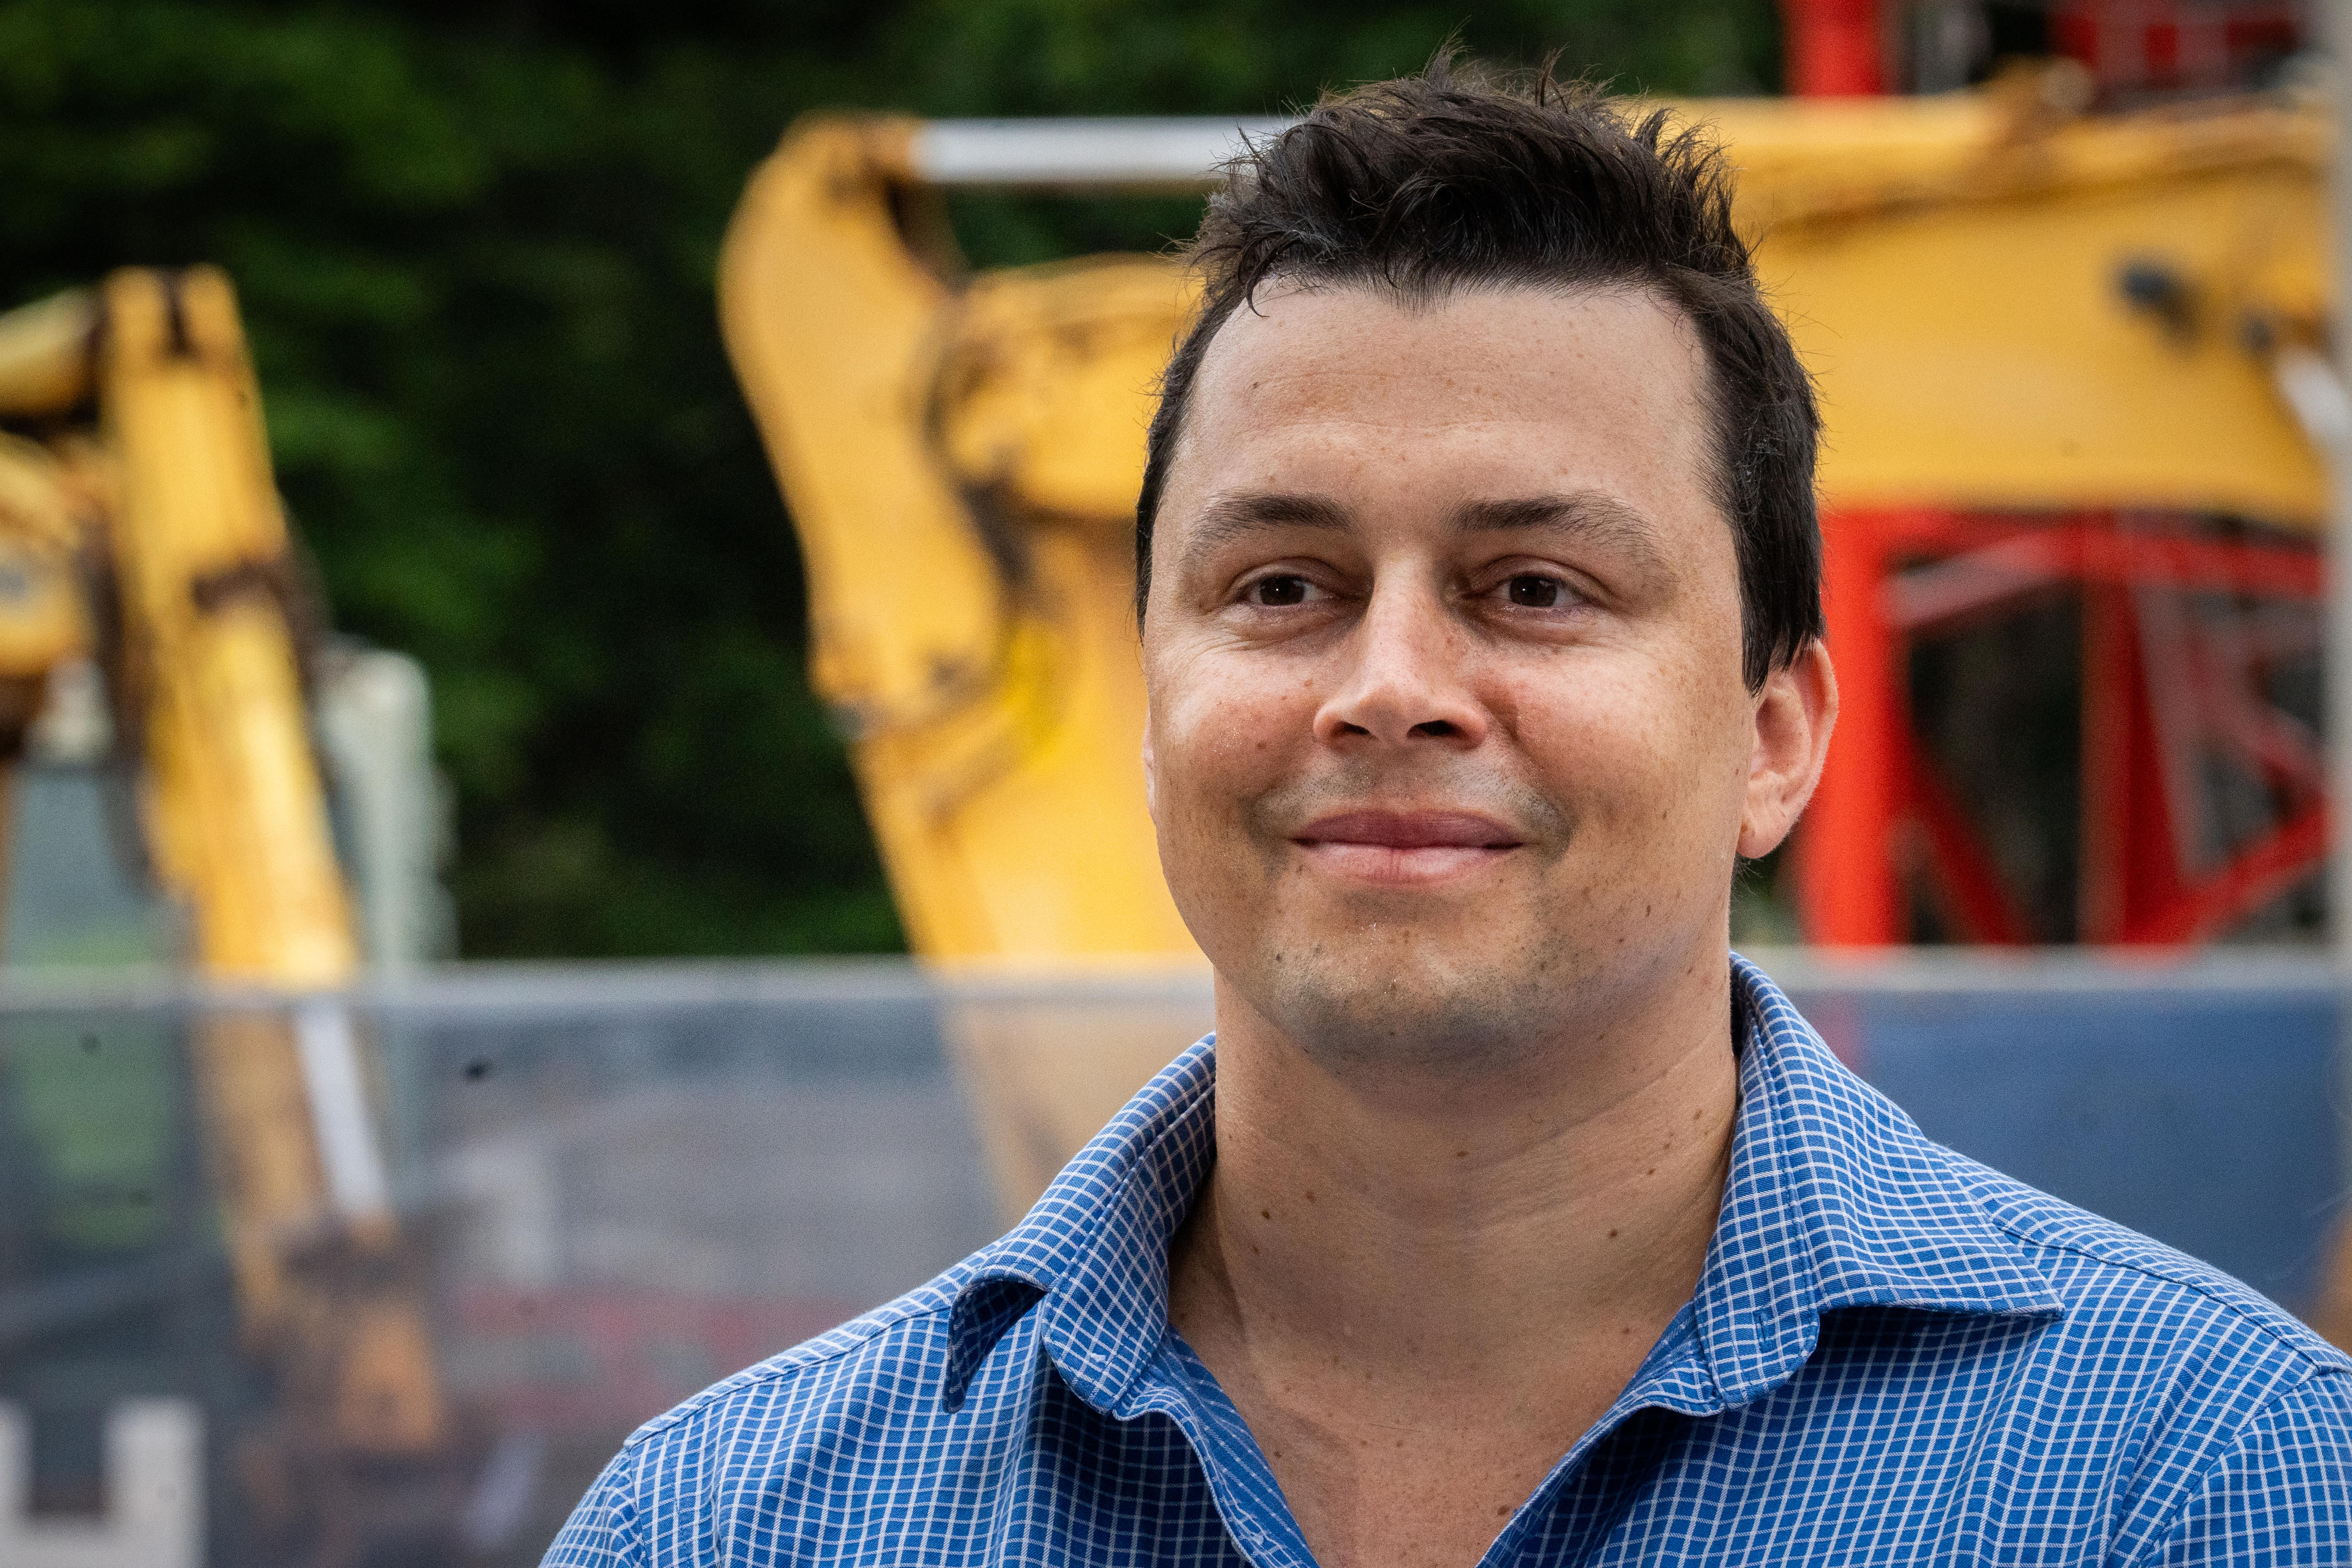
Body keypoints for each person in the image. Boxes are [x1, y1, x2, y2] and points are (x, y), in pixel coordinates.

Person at [547, 58, 2352, 1567]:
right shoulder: (732, 1528)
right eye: (1281, 586)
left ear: (1775, 735)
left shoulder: (2206, 1490)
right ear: (1153, 708)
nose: (1386, 681)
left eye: (1536, 586)